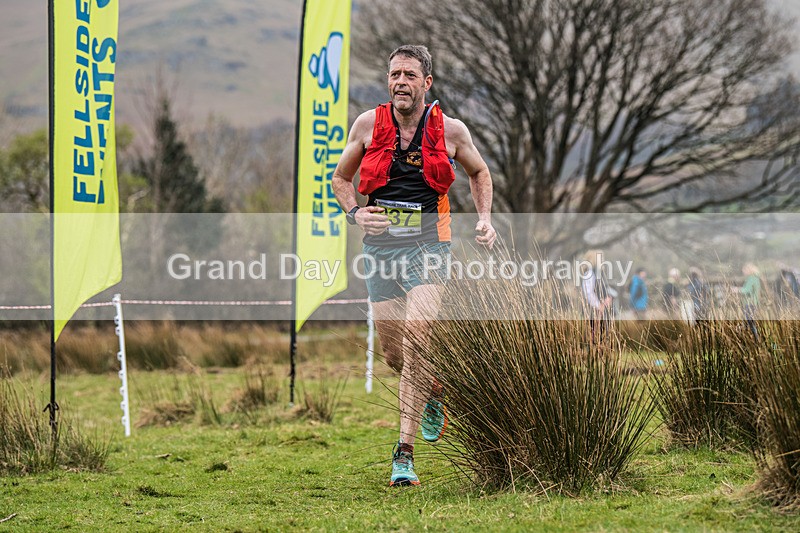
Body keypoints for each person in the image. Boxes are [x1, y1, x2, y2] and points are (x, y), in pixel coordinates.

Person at [331, 45, 496, 487]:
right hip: (380, 250)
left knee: (418, 336)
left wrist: (484, 220)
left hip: (430, 246)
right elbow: (341, 179)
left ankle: (403, 455)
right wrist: (355, 214)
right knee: (394, 356)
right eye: (394, 74)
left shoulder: (451, 131)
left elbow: (480, 173)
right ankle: (435, 389)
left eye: (409, 74)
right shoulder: (367, 125)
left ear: (427, 83)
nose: (399, 81)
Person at [581, 250, 612, 343]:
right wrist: (599, 305)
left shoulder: (599, 274)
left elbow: (602, 289)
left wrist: (608, 298)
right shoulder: (590, 274)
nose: (603, 260)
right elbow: (588, 293)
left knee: (602, 336)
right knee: (595, 337)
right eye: (601, 258)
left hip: (601, 310)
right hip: (593, 311)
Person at [740, 263, 762, 341]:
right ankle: (755, 338)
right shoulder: (756, 278)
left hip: (750, 304)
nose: (743, 271)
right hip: (754, 303)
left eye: (744, 270)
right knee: (750, 322)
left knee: (749, 322)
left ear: (749, 270)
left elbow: (746, 290)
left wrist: (735, 289)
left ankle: (755, 339)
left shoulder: (751, 278)